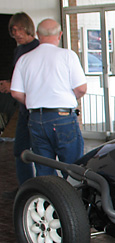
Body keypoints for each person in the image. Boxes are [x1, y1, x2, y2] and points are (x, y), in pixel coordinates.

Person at [10, 18, 87, 177]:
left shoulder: (24, 59)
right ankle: (73, 200)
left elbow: (16, 92)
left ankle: (48, 200)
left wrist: (33, 101)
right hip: (63, 117)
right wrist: (65, 98)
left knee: (44, 169)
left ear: (38, 34)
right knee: (73, 168)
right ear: (60, 35)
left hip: (36, 118)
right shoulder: (67, 55)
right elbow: (81, 88)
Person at [0, 12, 39, 198]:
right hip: (24, 109)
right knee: (20, 150)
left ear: (28, 28)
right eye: (13, 30)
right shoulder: (19, 50)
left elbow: (36, 80)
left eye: (20, 29)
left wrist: (12, 85)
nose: (16, 33)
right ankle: (25, 188)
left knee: (40, 152)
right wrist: (11, 84)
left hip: (36, 109)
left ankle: (41, 189)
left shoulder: (36, 49)